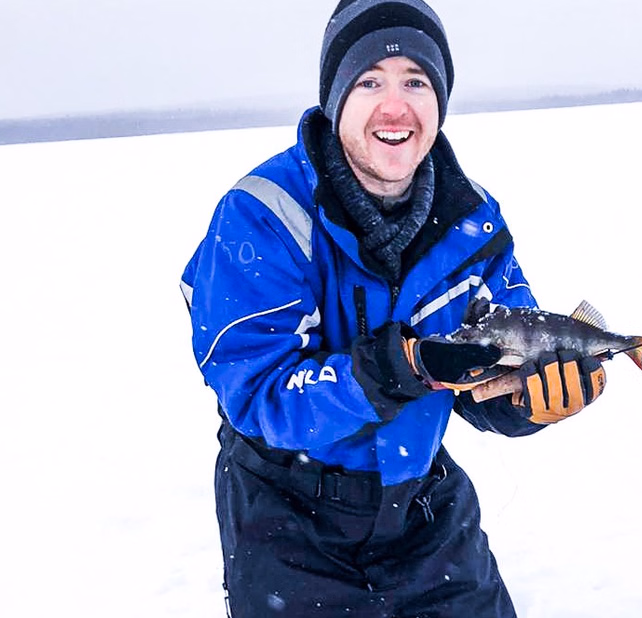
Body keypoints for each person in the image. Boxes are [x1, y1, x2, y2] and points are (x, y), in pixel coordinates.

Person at [181, 1, 607, 615]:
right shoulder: (262, 216)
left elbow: (491, 367)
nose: (395, 106)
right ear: (335, 100)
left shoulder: (472, 221)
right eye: (369, 82)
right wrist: (397, 368)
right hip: (288, 519)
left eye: (415, 82)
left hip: (423, 508)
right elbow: (256, 394)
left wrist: (527, 402)